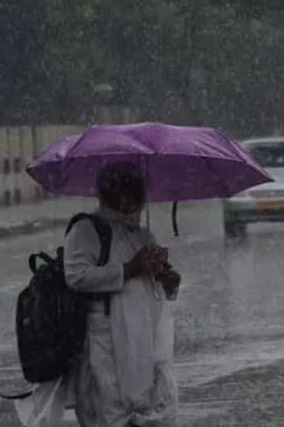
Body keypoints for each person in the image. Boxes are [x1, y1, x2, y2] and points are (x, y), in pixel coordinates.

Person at [64, 161, 180, 427]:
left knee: (146, 410)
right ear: (106, 194)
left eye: (134, 193)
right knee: (109, 412)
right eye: (121, 192)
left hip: (142, 342)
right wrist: (129, 268)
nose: (128, 201)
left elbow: (157, 290)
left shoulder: (142, 235)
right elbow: (76, 277)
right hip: (104, 342)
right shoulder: (85, 230)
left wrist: (169, 279)